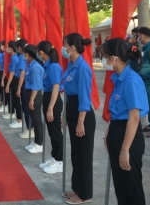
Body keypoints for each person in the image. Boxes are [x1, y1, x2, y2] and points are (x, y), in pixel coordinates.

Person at [101, 38, 148, 205]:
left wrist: (125, 150)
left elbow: (134, 117)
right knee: (120, 185)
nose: (104, 60)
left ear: (114, 57)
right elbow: (116, 112)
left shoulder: (131, 80)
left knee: (131, 188)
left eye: (105, 56)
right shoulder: (118, 78)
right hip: (117, 130)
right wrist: (108, 133)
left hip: (129, 136)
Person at [61, 33, 96, 204]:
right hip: (72, 111)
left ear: (72, 47)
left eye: (65, 45)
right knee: (76, 154)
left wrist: (81, 121)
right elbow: (66, 89)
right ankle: (77, 188)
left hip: (83, 115)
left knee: (83, 155)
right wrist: (65, 114)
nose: (63, 48)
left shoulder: (83, 68)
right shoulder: (71, 64)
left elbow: (84, 97)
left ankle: (85, 194)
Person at [37, 40, 64, 174]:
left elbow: (56, 88)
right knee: (51, 131)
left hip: (53, 100)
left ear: (42, 52)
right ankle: (54, 157)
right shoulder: (48, 65)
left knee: (55, 131)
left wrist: (50, 108)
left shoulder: (53, 67)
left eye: (39, 53)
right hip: (47, 97)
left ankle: (60, 161)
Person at [23, 44, 44, 154]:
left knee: (37, 120)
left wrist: (31, 100)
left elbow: (36, 85)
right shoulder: (30, 64)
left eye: (24, 54)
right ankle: (36, 141)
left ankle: (39, 143)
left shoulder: (35, 67)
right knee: (33, 118)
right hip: (30, 93)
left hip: (34, 95)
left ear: (27, 54)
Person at [16, 39, 33, 139]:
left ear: (20, 48)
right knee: (26, 107)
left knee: (26, 108)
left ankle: (31, 128)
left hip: (25, 84)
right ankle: (29, 128)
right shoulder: (26, 56)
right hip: (27, 84)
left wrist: (18, 88)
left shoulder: (23, 57)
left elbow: (22, 73)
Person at [4, 41, 22, 128]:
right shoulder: (13, 57)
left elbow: (12, 72)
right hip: (13, 79)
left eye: (8, 47)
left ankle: (19, 120)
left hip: (15, 80)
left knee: (16, 100)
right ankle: (18, 119)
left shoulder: (15, 58)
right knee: (14, 100)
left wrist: (8, 85)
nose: (7, 49)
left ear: (11, 48)